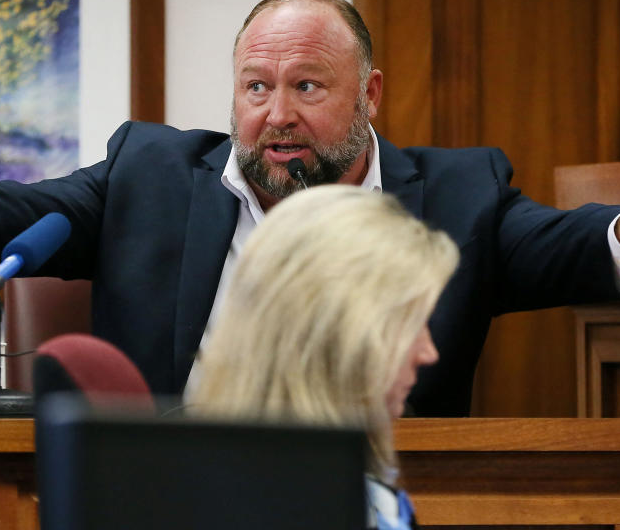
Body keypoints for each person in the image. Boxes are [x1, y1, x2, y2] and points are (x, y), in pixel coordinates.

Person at [0, 0, 620, 415]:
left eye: (308, 88)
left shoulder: (457, 193)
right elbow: (21, 213)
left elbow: (562, 245)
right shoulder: (153, 173)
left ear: (369, 98)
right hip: (172, 505)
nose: (276, 115)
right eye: (255, 87)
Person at [191, 185, 457, 528]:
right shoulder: (242, 510)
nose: (429, 353)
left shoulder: (371, 497)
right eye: (412, 325)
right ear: (339, 335)